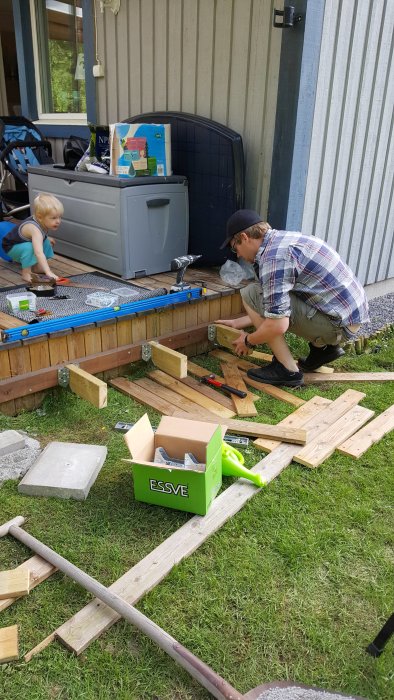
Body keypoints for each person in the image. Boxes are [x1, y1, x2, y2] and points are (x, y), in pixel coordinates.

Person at [217, 209, 369, 387]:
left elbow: (277, 325)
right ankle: (324, 350)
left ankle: (287, 370)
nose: (238, 255)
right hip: (346, 317)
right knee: (270, 293)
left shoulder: (273, 259)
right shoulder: (283, 240)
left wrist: (247, 341)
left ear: (244, 237)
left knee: (251, 292)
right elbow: (279, 300)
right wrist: (239, 323)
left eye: (236, 248)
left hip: (336, 326)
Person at [1, 192, 63, 284]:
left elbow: (39, 237)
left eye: (59, 217)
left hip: (21, 244)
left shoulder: (42, 221)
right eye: (53, 218)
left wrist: (46, 238)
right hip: (10, 248)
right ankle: (26, 273)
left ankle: (37, 267)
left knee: (45, 241)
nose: (58, 221)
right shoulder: (34, 228)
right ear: (40, 217)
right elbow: (38, 253)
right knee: (29, 247)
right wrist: (48, 272)